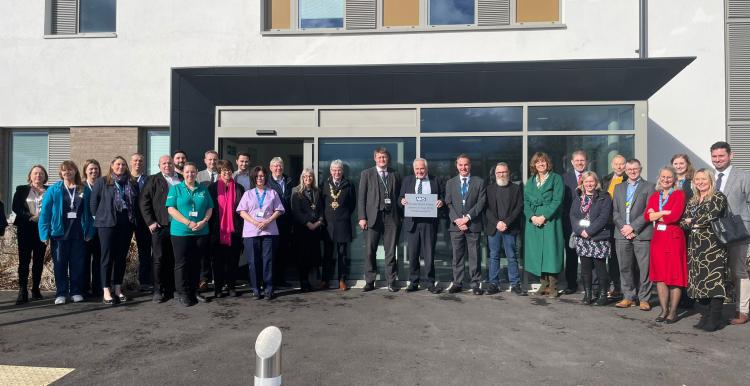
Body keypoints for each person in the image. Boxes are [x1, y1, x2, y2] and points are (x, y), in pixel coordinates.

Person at [38, 161, 95, 304]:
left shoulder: (84, 189)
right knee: (60, 264)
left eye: (70, 170)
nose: (67, 173)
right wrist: (44, 233)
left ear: (75, 171)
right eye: (64, 170)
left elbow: (91, 212)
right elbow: (45, 213)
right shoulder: (54, 190)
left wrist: (90, 231)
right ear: (61, 173)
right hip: (59, 234)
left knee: (78, 264)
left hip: (79, 233)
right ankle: (61, 293)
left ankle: (76, 291)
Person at [680, 169, 728, 332]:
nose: (700, 182)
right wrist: (691, 221)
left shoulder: (718, 196)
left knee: (714, 282)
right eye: (697, 179)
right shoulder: (693, 199)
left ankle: (714, 319)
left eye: (703, 179)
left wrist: (692, 220)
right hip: (695, 246)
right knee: (700, 282)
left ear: (710, 180)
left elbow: (711, 215)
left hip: (712, 245)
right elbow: (682, 222)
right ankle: (706, 316)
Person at [711, 141, 750, 325]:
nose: (718, 160)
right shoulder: (709, 177)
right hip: (714, 231)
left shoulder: (743, 176)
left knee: (738, 271)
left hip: (738, 230)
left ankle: (742, 310)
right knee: (716, 271)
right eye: (714, 156)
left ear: (730, 156)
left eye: (721, 156)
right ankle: (715, 309)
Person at [90, 156, 138, 305]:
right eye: (118, 164)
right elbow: (93, 202)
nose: (121, 166)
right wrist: (99, 218)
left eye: (123, 164)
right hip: (107, 224)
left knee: (120, 257)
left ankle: (118, 289)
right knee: (106, 257)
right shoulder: (102, 181)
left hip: (126, 223)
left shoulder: (131, 182)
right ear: (112, 165)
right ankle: (106, 290)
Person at [166, 162, 213, 306]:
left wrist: (204, 221)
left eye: (193, 172)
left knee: (196, 263)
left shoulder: (203, 189)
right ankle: (182, 293)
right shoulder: (176, 189)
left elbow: (210, 207)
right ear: (183, 173)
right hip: (180, 232)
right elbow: (171, 209)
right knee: (181, 263)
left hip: (201, 231)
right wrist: (188, 222)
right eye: (187, 172)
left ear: (196, 172)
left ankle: (194, 291)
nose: (190, 174)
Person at [612, 159, 655, 310]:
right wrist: (624, 227)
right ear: (625, 170)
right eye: (629, 169)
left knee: (645, 268)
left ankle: (644, 298)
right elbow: (615, 211)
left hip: (642, 233)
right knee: (625, 267)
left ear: (640, 169)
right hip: (621, 233)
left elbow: (649, 211)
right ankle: (628, 296)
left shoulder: (649, 186)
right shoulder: (618, 187)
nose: (632, 171)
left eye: (635, 168)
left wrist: (633, 227)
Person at [646, 166, 687, 323]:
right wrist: (664, 212)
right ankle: (664, 310)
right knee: (660, 277)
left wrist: (656, 214)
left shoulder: (679, 194)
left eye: (669, 177)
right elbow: (647, 216)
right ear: (659, 178)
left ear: (674, 179)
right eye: (663, 177)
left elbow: (674, 216)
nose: (666, 180)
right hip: (658, 239)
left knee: (674, 276)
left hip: (674, 239)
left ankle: (673, 311)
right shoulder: (655, 196)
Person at [237, 166, 285, 300]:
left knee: (268, 261)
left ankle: (269, 289)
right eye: (257, 176)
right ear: (254, 178)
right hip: (251, 232)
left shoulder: (272, 193)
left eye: (262, 175)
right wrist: (255, 222)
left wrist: (268, 220)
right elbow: (242, 212)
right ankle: (255, 288)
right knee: (253, 261)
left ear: (266, 177)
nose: (260, 178)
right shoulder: (248, 194)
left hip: (269, 232)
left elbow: (279, 210)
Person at [358, 147, 402, 292]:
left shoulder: (395, 173)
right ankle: (370, 281)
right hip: (372, 217)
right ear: (375, 159)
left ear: (387, 159)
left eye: (384, 157)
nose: (382, 159)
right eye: (379, 157)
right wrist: (362, 217)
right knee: (370, 251)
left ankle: (391, 281)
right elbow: (361, 197)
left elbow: (400, 196)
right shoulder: (367, 173)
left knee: (391, 251)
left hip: (391, 217)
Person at [139, 155, 182, 303]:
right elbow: (144, 201)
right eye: (164, 163)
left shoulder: (181, 179)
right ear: (159, 165)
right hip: (160, 226)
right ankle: (158, 290)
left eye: (169, 163)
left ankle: (173, 289)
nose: (167, 165)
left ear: (174, 164)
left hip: (179, 226)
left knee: (175, 258)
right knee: (158, 258)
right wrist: (150, 221)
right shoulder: (152, 180)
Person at [399, 158, 444, 294]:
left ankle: (430, 282)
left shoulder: (436, 180)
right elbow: (399, 198)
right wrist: (402, 201)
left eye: (422, 168)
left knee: (429, 254)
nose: (419, 171)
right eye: (417, 169)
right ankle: (413, 282)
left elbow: (443, 196)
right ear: (414, 169)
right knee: (413, 254)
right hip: (412, 223)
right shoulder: (407, 181)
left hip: (429, 223)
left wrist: (441, 202)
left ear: (426, 169)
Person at [524, 152, 565, 297]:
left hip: (550, 220)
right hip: (534, 221)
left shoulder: (556, 179)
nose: (541, 164)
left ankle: (553, 285)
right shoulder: (530, 181)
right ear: (534, 165)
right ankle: (544, 284)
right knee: (537, 252)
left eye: (543, 162)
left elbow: (557, 200)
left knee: (551, 251)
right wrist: (532, 217)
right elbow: (526, 202)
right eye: (538, 162)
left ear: (548, 164)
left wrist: (544, 216)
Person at [445, 154, 486, 295]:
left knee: (474, 256)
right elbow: (448, 204)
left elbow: (481, 203)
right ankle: (457, 283)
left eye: (466, 165)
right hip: (456, 226)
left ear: (470, 165)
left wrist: (467, 218)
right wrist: (457, 220)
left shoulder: (479, 182)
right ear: (457, 165)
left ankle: (475, 284)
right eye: (461, 165)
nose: (463, 167)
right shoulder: (450, 183)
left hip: (473, 225)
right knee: (457, 256)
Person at [570, 171, 613, 306]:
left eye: (591, 181)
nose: (589, 184)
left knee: (600, 268)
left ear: (596, 182)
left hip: (598, 237)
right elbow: (573, 216)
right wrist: (580, 231)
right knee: (585, 268)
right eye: (586, 181)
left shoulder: (604, 197)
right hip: (582, 238)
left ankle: (602, 295)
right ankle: (587, 295)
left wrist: (589, 231)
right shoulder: (578, 197)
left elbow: (604, 218)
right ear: (582, 183)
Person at [484, 162, 524, 295]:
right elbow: (486, 209)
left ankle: (515, 284)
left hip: (510, 228)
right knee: (493, 256)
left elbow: (519, 208)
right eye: (498, 172)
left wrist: (506, 222)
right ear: (495, 174)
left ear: (509, 173)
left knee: (512, 256)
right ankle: (493, 284)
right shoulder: (489, 189)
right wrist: (497, 223)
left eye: (504, 172)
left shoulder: (516, 188)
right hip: (494, 228)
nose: (501, 174)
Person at [208, 160, 245, 298]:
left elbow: (243, 209)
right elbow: (209, 209)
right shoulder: (212, 188)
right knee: (217, 262)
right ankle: (218, 288)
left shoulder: (239, 188)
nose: (227, 172)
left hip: (235, 231)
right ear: (219, 172)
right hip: (216, 231)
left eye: (229, 170)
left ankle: (231, 286)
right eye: (224, 170)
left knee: (233, 261)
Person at [12, 165, 49, 304]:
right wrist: (29, 216)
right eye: (35, 173)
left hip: (42, 229)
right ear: (30, 175)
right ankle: (22, 290)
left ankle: (35, 289)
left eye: (41, 173)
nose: (38, 176)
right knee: (24, 260)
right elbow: (16, 207)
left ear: (45, 176)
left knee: (39, 260)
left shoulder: (49, 190)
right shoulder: (22, 189)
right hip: (26, 228)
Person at [321, 160, 356, 291]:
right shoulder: (324, 184)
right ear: (330, 171)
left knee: (342, 254)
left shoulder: (349, 185)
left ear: (343, 171)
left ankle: (342, 280)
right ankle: (325, 280)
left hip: (343, 223)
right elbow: (321, 203)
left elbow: (352, 204)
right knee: (328, 255)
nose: (337, 172)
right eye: (334, 170)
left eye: (339, 170)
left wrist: (344, 214)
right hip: (328, 224)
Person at [291, 168, 324, 292]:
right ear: (302, 178)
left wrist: (319, 221)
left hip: (315, 229)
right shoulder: (296, 192)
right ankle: (303, 282)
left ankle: (312, 282)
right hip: (302, 230)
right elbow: (296, 211)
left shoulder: (317, 191)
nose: (308, 178)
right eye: (305, 176)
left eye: (310, 176)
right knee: (303, 257)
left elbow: (321, 208)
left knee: (313, 257)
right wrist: (308, 223)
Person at [561, 150, 588, 295]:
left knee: (588, 254)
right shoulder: (564, 178)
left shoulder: (592, 177)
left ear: (587, 162)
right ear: (572, 162)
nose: (579, 163)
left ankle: (589, 285)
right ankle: (571, 284)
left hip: (589, 222)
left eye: (582, 160)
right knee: (571, 255)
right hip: (570, 223)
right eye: (577, 160)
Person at [602, 154, 627, 300]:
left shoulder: (627, 179)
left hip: (622, 222)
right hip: (608, 223)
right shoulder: (606, 179)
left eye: (622, 164)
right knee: (612, 257)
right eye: (616, 164)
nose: (619, 166)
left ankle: (626, 288)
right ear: (612, 165)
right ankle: (616, 287)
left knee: (623, 257)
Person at [267, 157, 294, 287]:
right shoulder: (266, 182)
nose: (278, 168)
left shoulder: (289, 181)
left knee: (283, 251)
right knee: (271, 252)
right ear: (271, 168)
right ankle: (270, 280)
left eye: (280, 166)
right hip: (272, 223)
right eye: (275, 166)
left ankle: (281, 279)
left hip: (286, 223)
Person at [196, 150, 220, 291]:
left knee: (217, 250)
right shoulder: (198, 176)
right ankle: (204, 279)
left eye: (215, 159)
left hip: (219, 218)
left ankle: (218, 278)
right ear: (205, 160)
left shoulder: (223, 174)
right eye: (210, 159)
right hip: (203, 218)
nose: (212, 162)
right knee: (203, 251)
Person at [130, 153, 152, 292]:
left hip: (143, 221)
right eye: (135, 160)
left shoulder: (148, 180)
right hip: (126, 221)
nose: (138, 162)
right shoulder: (124, 179)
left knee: (145, 252)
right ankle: (117, 282)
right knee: (120, 253)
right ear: (131, 162)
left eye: (141, 160)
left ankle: (144, 281)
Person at [82, 159, 103, 297]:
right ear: (85, 170)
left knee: (99, 260)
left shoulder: (104, 185)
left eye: (96, 168)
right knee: (84, 260)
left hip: (101, 229)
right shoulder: (81, 187)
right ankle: (84, 288)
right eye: (91, 169)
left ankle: (97, 288)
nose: (93, 171)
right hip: (85, 229)